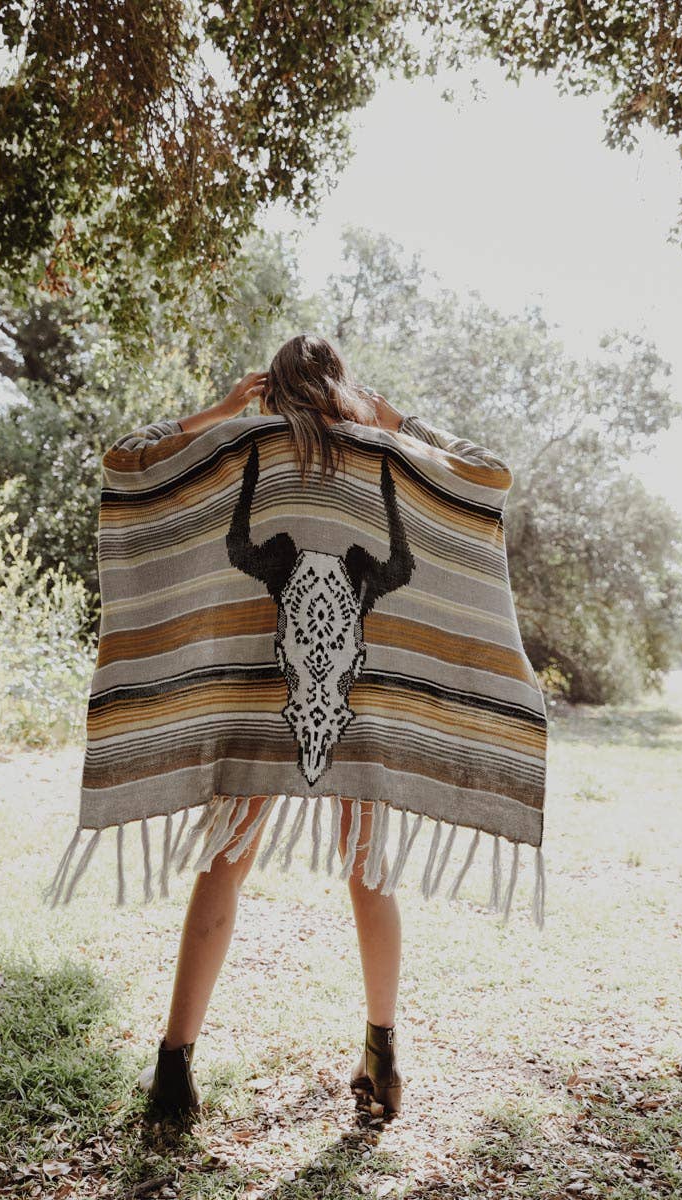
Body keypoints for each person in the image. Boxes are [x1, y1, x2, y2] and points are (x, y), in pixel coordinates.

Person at [142, 334, 406, 1124]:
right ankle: (384, 1055)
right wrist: (397, 419)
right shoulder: (379, 454)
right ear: (341, 383)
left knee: (223, 866)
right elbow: (484, 474)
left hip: (265, 692)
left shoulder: (243, 444)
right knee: (368, 868)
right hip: (355, 694)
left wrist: (217, 410)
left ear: (271, 387)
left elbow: (131, 459)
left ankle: (173, 1068)